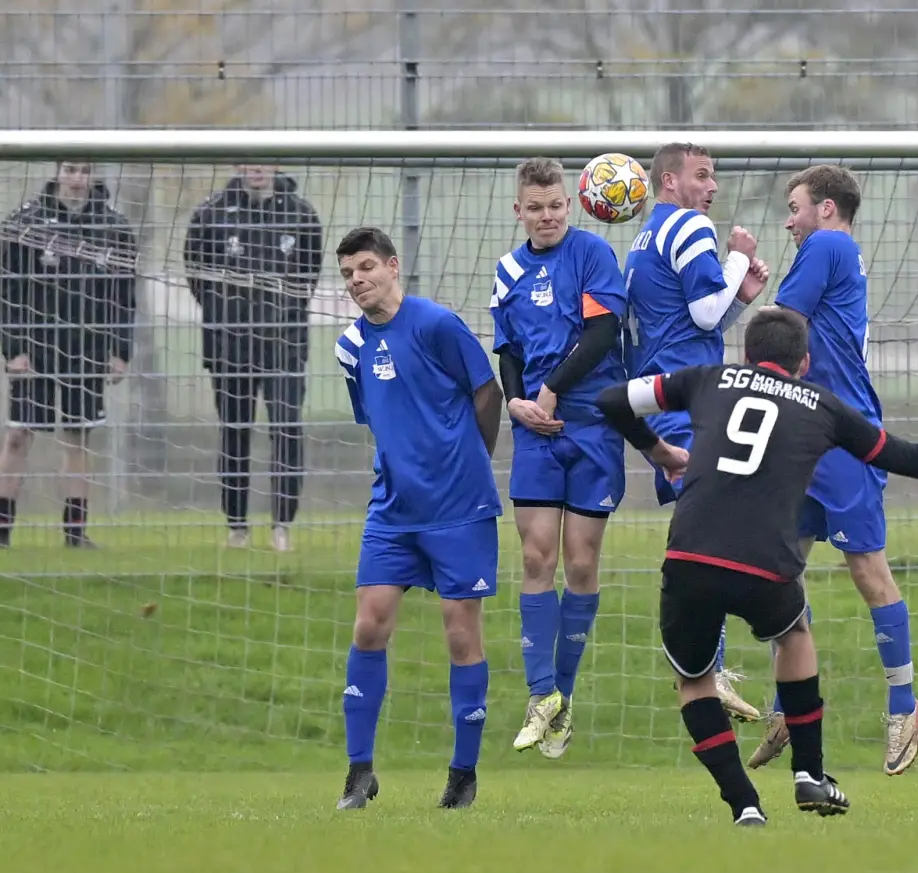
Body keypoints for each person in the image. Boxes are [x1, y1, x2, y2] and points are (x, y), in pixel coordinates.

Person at [596, 306, 918, 826]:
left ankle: (744, 804)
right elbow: (916, 461)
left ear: (747, 354)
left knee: (694, 683)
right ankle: (809, 773)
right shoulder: (822, 406)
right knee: (794, 636)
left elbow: (612, 400)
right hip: (766, 563)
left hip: (691, 554)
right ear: (804, 362)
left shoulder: (705, 380)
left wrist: (661, 452)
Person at [752, 164, 918, 777]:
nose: (789, 218)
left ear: (826, 208)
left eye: (795, 206)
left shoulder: (826, 244)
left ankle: (905, 706)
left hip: (841, 437)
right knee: (780, 569)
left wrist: (734, 286)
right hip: (803, 435)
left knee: (868, 571)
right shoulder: (829, 249)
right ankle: (784, 705)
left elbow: (779, 327)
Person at [330, 227, 504, 811]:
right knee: (369, 626)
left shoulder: (436, 324)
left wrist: (469, 462)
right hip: (393, 510)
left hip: (459, 508)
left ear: (392, 266)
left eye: (366, 268)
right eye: (349, 273)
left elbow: (487, 392)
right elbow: (377, 418)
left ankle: (463, 773)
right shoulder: (350, 346)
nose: (357, 281)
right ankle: (359, 772)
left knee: (461, 635)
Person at [623, 141, 769, 723]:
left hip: (663, 397)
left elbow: (689, 320)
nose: (711, 187)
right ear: (668, 183)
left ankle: (708, 663)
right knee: (717, 529)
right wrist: (738, 258)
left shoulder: (646, 237)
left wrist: (739, 300)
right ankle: (702, 660)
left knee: (706, 526)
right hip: (684, 401)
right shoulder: (690, 227)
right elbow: (705, 316)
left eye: (713, 176)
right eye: (701, 175)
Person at [490, 158, 628, 759]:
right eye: (534, 207)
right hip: (536, 430)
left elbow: (602, 334)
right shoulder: (507, 270)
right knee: (534, 554)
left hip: (592, 420)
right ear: (518, 210)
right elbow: (509, 348)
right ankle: (540, 693)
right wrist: (518, 401)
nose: (545, 216)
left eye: (554, 206)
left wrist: (549, 391)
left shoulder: (593, 256)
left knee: (579, 564)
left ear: (569, 206)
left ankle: (561, 699)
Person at [183, 164, 324, 552]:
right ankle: (237, 528)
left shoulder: (300, 213)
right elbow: (197, 277)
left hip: (285, 344)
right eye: (248, 160)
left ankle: (282, 526)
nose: (256, 168)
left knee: (287, 428)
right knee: (235, 431)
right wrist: (226, 314)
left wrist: (279, 314)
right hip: (228, 345)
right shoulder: (210, 213)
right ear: (237, 165)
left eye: (264, 159)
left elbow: (307, 277)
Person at [0, 161, 136, 548]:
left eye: (85, 170)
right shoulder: (25, 222)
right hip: (36, 348)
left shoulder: (113, 228)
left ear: (94, 176)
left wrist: (120, 351)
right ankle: (1, 530)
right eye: (71, 169)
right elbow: (7, 292)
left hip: (88, 347)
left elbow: (124, 298)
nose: (77, 178)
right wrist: (13, 348)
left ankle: (75, 533)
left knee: (78, 436)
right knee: (17, 436)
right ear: (57, 172)